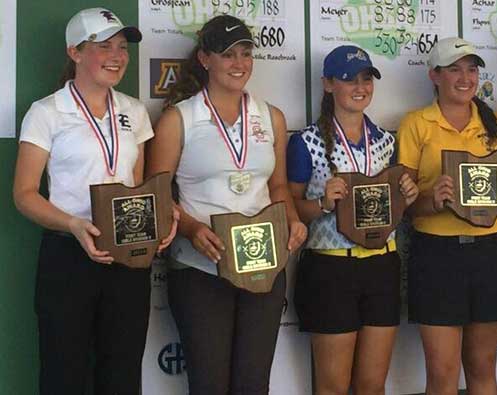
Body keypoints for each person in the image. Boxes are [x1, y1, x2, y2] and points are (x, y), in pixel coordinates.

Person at [13, 8, 177, 395]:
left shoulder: (134, 111)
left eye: (122, 47)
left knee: (121, 373)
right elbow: (23, 194)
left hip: (128, 257)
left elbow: (137, 188)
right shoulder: (47, 112)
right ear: (75, 52)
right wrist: (72, 224)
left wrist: (162, 213)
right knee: (63, 373)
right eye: (104, 46)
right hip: (68, 255)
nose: (118, 56)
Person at [145, 14, 307, 395]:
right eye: (227, 54)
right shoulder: (178, 119)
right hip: (201, 267)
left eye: (246, 53)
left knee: (253, 384)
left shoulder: (272, 117)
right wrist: (190, 229)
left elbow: (279, 186)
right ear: (205, 59)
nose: (239, 63)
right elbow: (157, 195)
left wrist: (294, 219)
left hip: (262, 265)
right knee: (209, 384)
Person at [397, 37, 497, 395]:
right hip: (437, 255)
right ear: (434, 75)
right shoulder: (416, 124)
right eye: (454, 69)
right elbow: (404, 205)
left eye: (471, 69)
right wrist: (431, 199)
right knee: (442, 373)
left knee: (483, 367)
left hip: (494, 252)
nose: (465, 77)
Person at [287, 45, 419, 395]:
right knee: (332, 387)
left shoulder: (386, 141)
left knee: (373, 386)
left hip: (382, 266)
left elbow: (394, 210)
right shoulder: (306, 142)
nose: (360, 87)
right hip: (331, 270)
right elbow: (291, 209)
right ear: (328, 84)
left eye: (366, 79)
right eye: (349, 80)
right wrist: (322, 204)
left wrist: (408, 196)